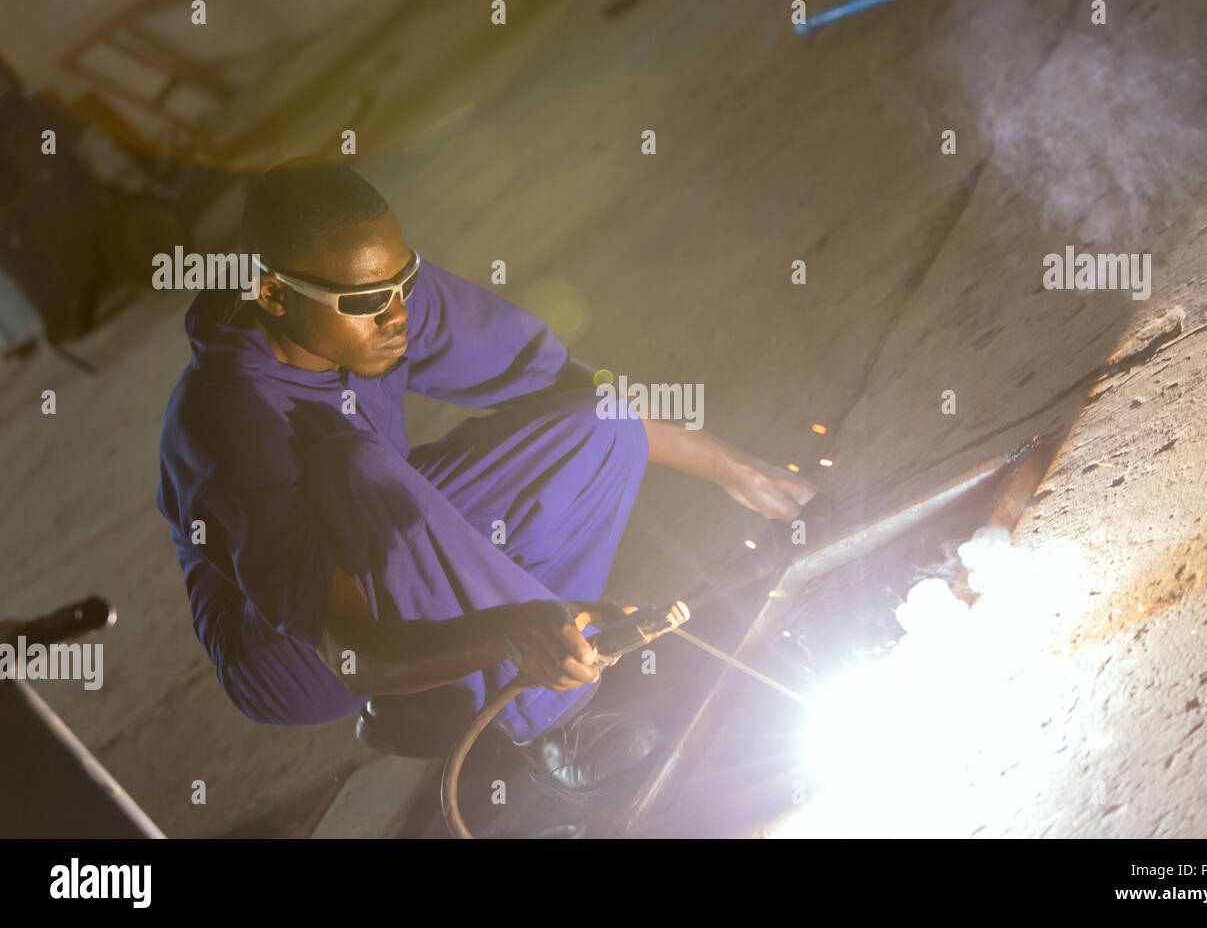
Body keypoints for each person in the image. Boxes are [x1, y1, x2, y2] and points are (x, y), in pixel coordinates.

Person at [156, 159, 816, 803]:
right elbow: (347, 645)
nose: (396, 316)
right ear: (273, 293)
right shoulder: (230, 422)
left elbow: (571, 388)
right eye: (365, 301)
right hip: (293, 648)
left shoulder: (379, 292)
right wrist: (509, 633)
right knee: (355, 468)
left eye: (404, 281)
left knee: (602, 424)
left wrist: (743, 472)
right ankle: (553, 720)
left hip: (373, 535)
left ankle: (483, 680)